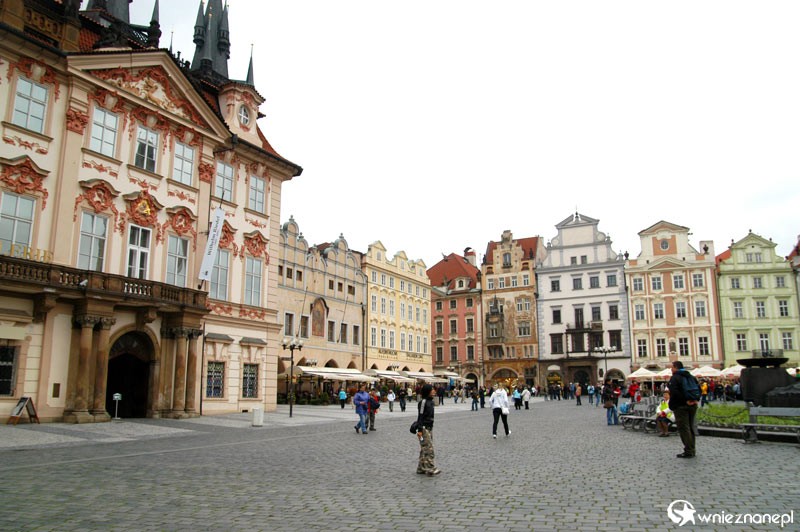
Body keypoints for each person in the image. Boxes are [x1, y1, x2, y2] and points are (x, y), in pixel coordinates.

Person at [668, 360, 700, 458]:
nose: (671, 369)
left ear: (676, 367)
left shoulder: (675, 378)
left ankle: (689, 451)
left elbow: (674, 392)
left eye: (672, 367)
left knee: (684, 428)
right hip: (692, 405)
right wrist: (695, 399)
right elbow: (698, 390)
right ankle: (692, 449)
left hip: (681, 406)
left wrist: (685, 400)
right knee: (690, 427)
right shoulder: (691, 376)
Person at [415, 384, 440, 476]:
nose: (434, 391)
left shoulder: (430, 402)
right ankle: (430, 468)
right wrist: (420, 430)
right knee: (429, 449)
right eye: (432, 390)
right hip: (423, 429)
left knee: (424, 448)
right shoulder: (423, 402)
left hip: (429, 429)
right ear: (427, 391)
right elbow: (420, 416)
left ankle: (421, 467)